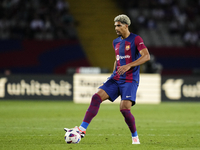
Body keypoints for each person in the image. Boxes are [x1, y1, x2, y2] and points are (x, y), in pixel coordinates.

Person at [64, 14, 150, 144]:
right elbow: (117, 59)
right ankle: (82, 129)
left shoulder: (136, 39)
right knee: (96, 97)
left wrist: (128, 66)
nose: (116, 28)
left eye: (118, 25)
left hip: (130, 80)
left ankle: (135, 137)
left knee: (124, 109)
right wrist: (114, 72)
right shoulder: (115, 42)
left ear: (126, 26)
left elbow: (146, 56)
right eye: (115, 25)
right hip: (116, 78)